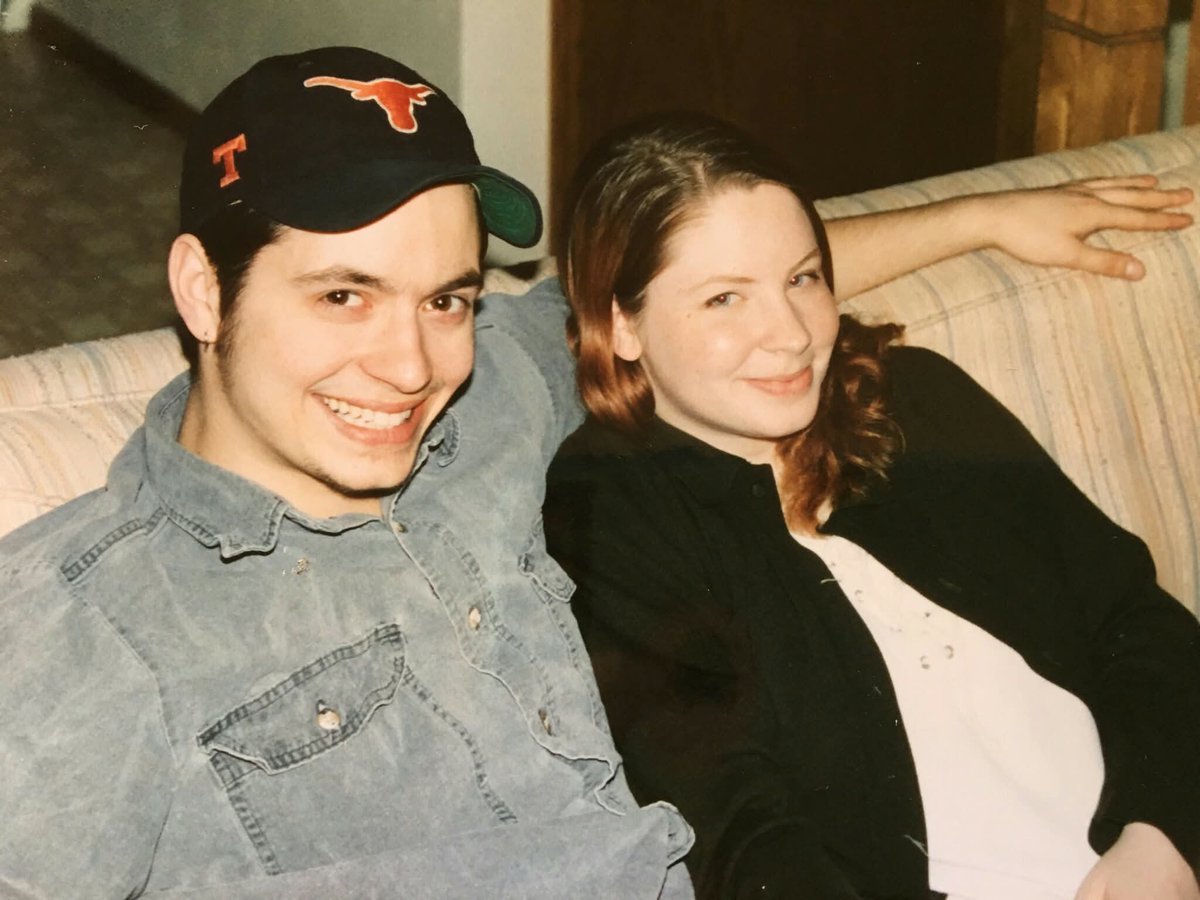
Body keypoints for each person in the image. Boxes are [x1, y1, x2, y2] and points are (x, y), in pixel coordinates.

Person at [0, 44, 1190, 899]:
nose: (411, 366)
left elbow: (704, 294)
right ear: (203, 289)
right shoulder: (84, 623)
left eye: (447, 298)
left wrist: (985, 216)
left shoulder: (500, 391)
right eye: (344, 296)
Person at [543, 113, 1200, 900]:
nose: (790, 335)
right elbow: (733, 821)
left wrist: (1160, 835)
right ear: (621, 325)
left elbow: (1137, 622)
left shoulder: (914, 401)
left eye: (803, 278)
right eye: (724, 299)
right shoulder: (615, 510)